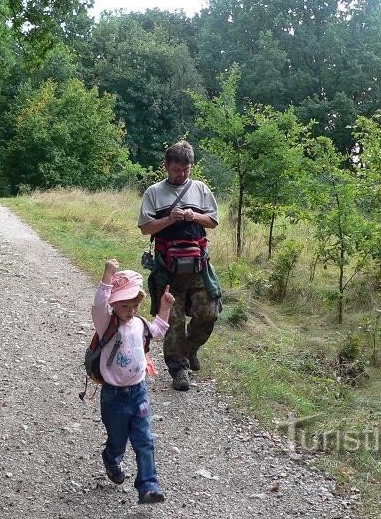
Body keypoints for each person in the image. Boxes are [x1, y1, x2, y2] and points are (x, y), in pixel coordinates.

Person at [138, 140, 222, 392]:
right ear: (166, 166)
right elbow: (145, 228)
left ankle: (190, 349)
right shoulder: (153, 192)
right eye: (176, 169)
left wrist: (193, 215)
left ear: (191, 167)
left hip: (198, 266)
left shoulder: (201, 189)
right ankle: (178, 370)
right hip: (168, 268)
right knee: (172, 322)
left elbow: (213, 221)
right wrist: (168, 219)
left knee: (209, 313)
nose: (181, 174)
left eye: (186, 169)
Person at [91, 259, 175, 504]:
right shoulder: (106, 324)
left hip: (139, 392)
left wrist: (165, 307)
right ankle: (111, 459)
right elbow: (98, 305)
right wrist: (108, 275)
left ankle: (148, 486)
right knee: (118, 441)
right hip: (113, 397)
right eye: (126, 305)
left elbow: (158, 331)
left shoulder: (139, 323)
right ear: (114, 303)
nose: (132, 310)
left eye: (136, 304)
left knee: (145, 440)